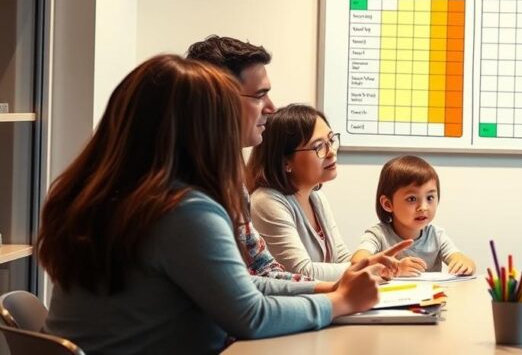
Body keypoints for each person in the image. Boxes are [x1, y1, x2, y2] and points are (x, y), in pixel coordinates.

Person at [37, 55, 385, 355]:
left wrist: (327, 288)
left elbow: (240, 284)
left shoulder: (112, 196)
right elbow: (251, 315)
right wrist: (340, 303)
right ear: (199, 129)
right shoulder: (181, 211)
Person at [186, 35, 400, 283]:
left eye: (331, 141)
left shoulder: (242, 188)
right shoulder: (251, 200)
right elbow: (265, 288)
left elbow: (265, 274)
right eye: (260, 95)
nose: (271, 107)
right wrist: (343, 293)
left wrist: (358, 276)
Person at [249, 104, 407, 281]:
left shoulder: (316, 197)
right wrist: (367, 266)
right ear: (285, 162)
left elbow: (340, 258)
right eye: (319, 147)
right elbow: (301, 272)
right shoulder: (266, 201)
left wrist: (375, 265)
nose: (332, 152)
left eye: (331, 141)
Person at [351, 155, 476, 275]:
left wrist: (465, 265)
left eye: (430, 197)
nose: (423, 207)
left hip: (432, 295)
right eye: (411, 199)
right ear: (388, 204)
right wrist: (396, 269)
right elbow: (357, 263)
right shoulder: (378, 234)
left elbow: (464, 260)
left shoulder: (437, 236)